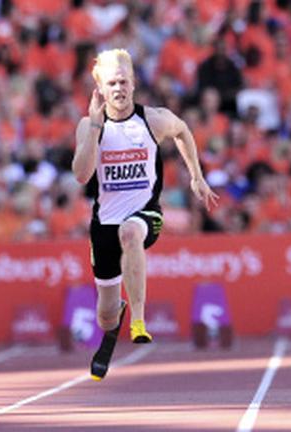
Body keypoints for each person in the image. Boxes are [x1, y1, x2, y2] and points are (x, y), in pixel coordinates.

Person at [73, 49, 219, 380]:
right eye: (111, 83)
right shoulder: (89, 125)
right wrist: (95, 127)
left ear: (134, 83)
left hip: (145, 214)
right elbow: (81, 175)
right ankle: (118, 320)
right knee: (105, 315)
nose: (119, 88)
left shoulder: (152, 119)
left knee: (131, 232)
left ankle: (138, 319)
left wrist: (196, 175)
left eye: (124, 81)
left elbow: (182, 130)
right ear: (100, 87)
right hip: (104, 225)